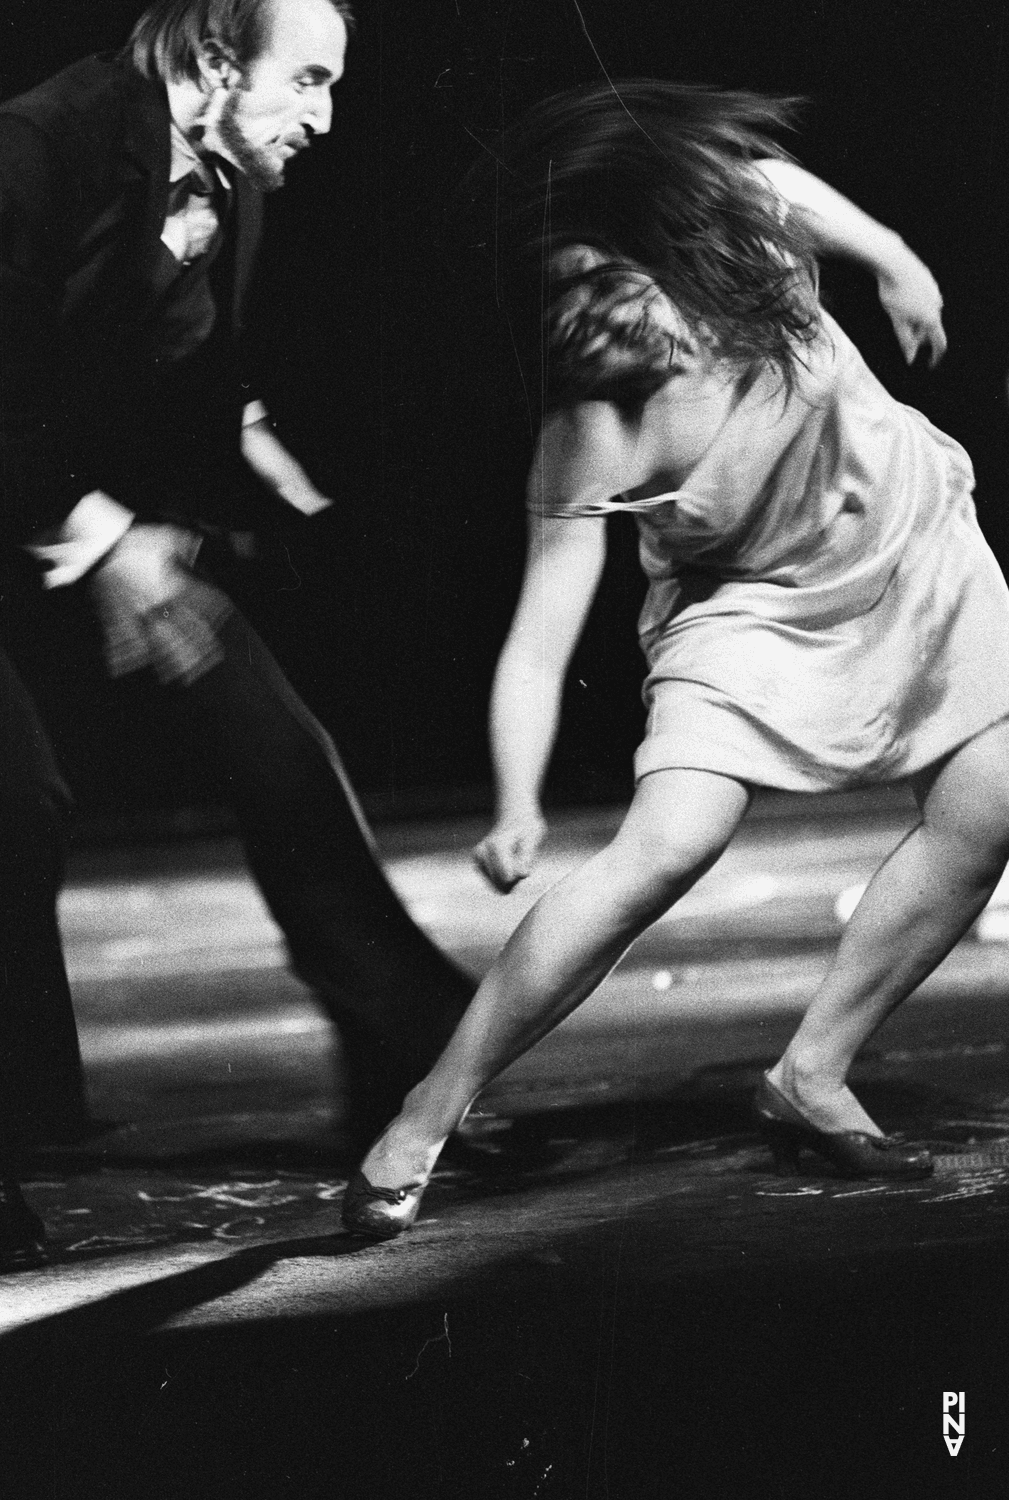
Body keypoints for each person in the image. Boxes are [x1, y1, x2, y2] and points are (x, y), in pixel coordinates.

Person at [342, 80, 1009, 1239]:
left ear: (658, 247)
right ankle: (426, 1110)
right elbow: (540, 631)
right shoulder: (593, 423)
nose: (584, 313)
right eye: (556, 296)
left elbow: (774, 182)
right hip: (742, 604)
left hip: (905, 538)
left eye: (600, 274)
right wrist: (513, 799)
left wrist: (892, 256)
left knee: (992, 795)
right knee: (671, 840)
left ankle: (813, 1070)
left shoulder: (733, 241)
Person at [0, 0, 475, 1272]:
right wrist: (103, 542)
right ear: (215, 62)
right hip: (41, 511)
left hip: (62, 518)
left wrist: (274, 482)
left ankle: (405, 1049)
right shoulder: (38, 147)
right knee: (14, 804)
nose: (324, 117)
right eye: (305, 80)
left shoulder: (223, 178)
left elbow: (184, 360)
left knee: (272, 739)